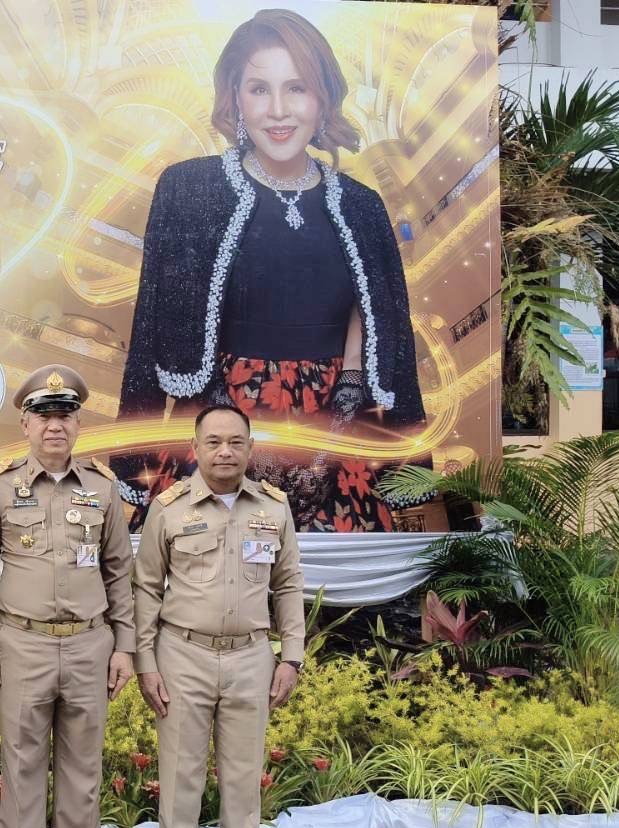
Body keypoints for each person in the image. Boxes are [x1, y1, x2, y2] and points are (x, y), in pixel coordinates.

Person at [116, 7, 427, 532]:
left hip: (336, 425)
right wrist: (214, 418)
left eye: (297, 88)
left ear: (322, 97)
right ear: (235, 96)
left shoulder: (362, 205)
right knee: (204, 569)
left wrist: (342, 412)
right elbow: (152, 324)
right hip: (213, 419)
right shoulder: (188, 189)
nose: (278, 110)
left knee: (331, 578)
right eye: (259, 89)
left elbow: (382, 321)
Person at [0, 364, 136, 828]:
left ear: (78, 423)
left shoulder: (103, 488)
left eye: (64, 414)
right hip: (22, 643)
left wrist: (124, 646)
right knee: (22, 770)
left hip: (90, 643)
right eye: (43, 415)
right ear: (26, 424)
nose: (54, 425)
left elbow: (119, 571)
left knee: (82, 772)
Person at [133, 404, 304, 828]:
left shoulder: (273, 507)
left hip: (251, 656)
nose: (225, 452)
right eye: (213, 442)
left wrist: (291, 655)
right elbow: (146, 588)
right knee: (180, 776)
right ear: (196, 448)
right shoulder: (169, 508)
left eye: (235, 442)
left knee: (243, 777)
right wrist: (145, 662)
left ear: (250, 448)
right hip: (182, 654)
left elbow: (288, 584)